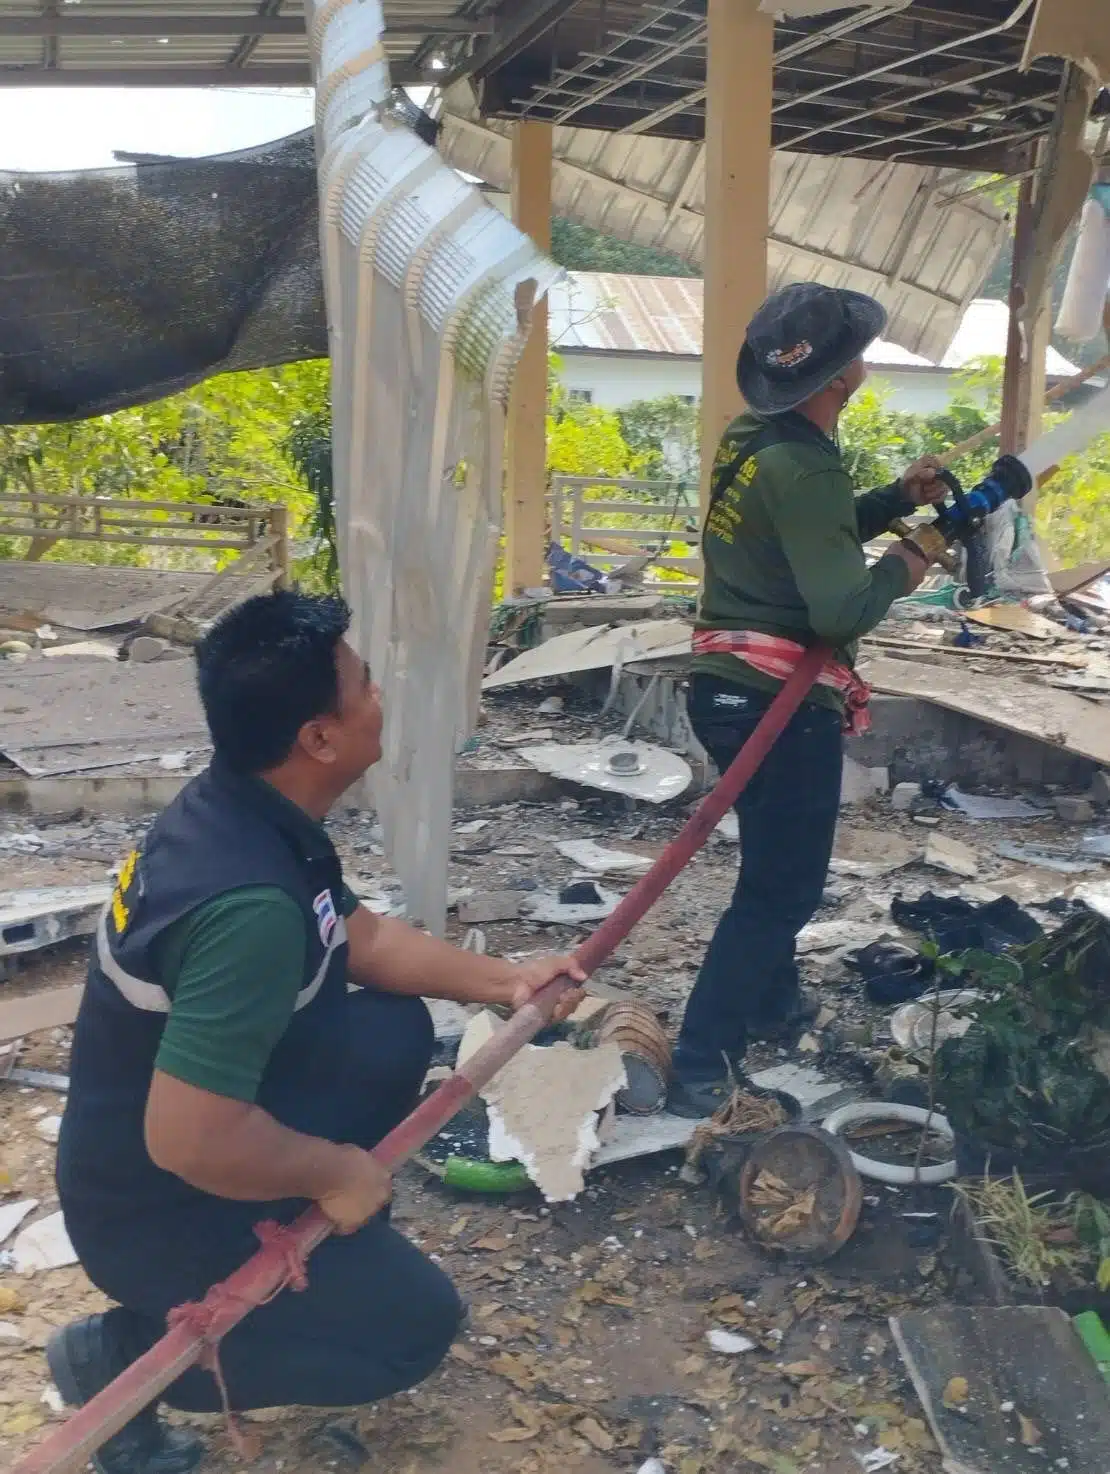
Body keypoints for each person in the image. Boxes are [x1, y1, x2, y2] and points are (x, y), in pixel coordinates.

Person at [49, 591, 586, 1474]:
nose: (380, 698)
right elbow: (189, 1136)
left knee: (389, 1032)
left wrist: (507, 980)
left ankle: (296, 1203)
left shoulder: (240, 812)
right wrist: (338, 1170)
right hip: (153, 1200)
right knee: (407, 1333)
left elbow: (356, 935)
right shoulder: (247, 907)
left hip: (153, 1140)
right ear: (319, 739)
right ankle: (116, 1362)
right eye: (365, 687)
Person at [667, 282, 947, 1119]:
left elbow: (808, 530)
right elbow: (843, 610)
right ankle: (698, 1064)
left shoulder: (756, 440)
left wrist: (897, 500)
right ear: (840, 375)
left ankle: (771, 1003)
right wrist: (915, 556)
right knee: (781, 891)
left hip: (725, 688)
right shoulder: (809, 465)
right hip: (778, 708)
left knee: (771, 863)